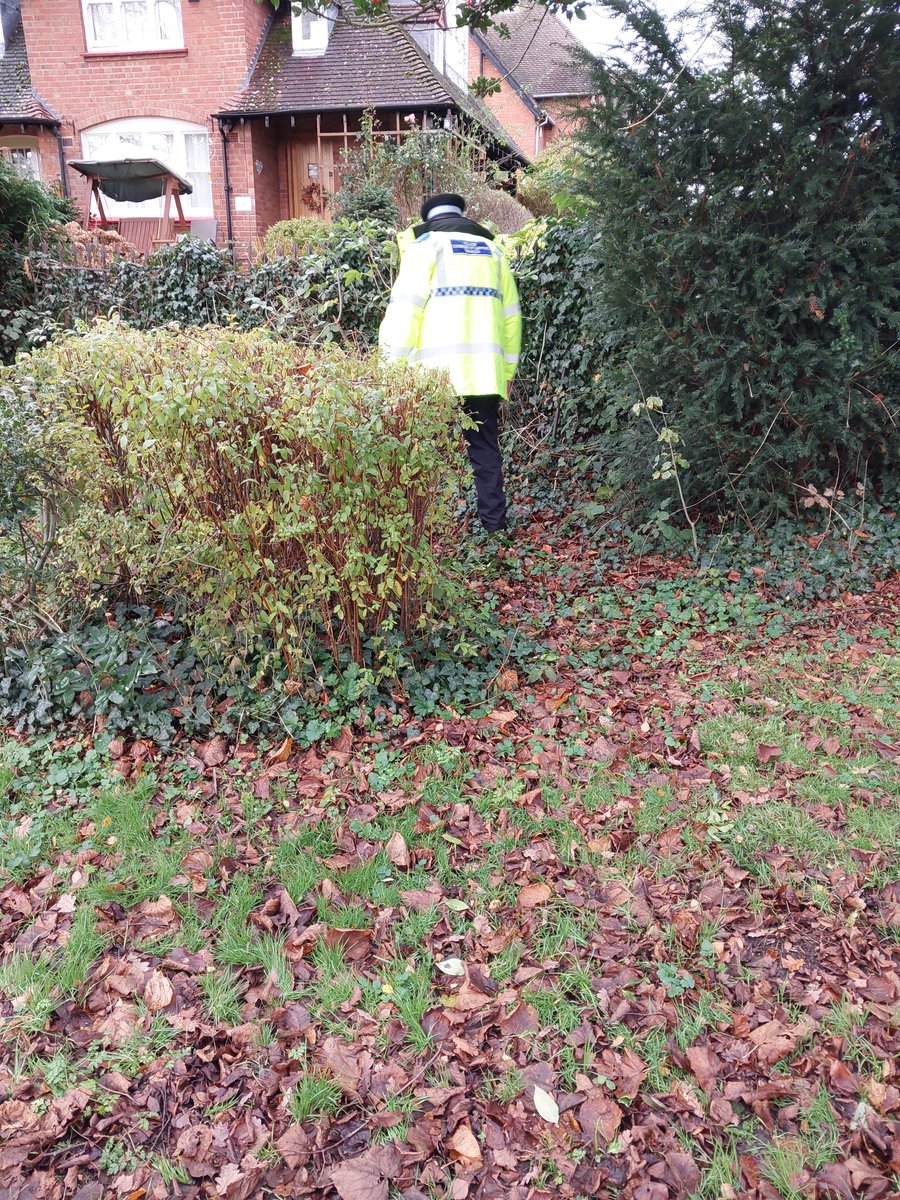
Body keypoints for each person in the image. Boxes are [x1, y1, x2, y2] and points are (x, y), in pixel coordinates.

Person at [378, 193, 521, 534]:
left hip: (434, 377)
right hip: (484, 376)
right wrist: (507, 373)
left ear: (430, 220)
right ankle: (494, 527)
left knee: (422, 451)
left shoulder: (424, 249)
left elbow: (405, 313)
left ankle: (419, 529)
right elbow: (512, 320)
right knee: (485, 449)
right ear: (463, 217)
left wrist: (389, 371)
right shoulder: (495, 253)